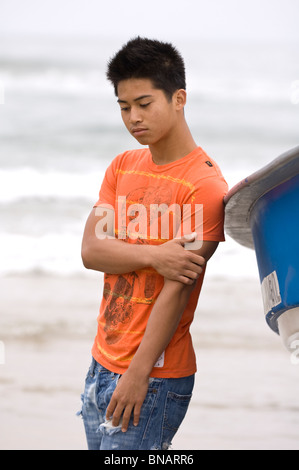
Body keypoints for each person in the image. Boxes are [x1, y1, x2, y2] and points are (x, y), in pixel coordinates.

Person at [79, 37, 228, 450]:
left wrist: (138, 374)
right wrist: (154, 255)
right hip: (102, 362)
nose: (133, 117)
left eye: (144, 104)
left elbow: (176, 289)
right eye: (124, 107)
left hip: (154, 376)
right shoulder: (123, 166)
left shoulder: (204, 185)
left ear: (178, 98)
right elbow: (91, 251)